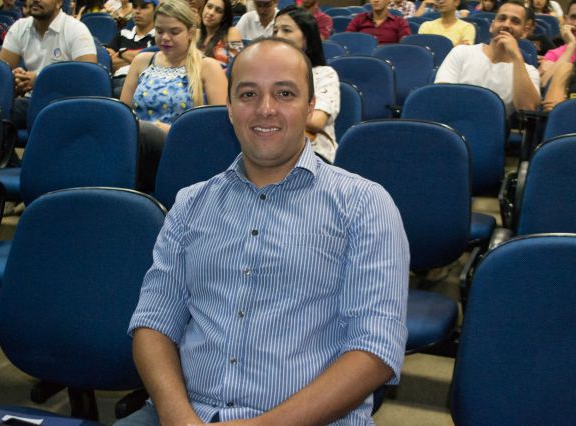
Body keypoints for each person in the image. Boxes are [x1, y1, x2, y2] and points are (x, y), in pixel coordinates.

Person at [116, 37, 409, 426]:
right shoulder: (191, 203)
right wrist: (178, 417)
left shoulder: (365, 205)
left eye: (285, 93)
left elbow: (375, 350)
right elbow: (154, 323)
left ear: (310, 106)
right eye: (248, 94)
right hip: (184, 413)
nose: (265, 109)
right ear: (229, 108)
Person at [120, 0, 226, 191]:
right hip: (138, 147)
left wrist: (170, 130)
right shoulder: (142, 61)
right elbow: (122, 115)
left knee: (142, 133)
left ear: (190, 33)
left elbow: (219, 127)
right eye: (159, 31)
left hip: (183, 148)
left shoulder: (208, 67)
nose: (165, 38)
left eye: (174, 32)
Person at [0, 0, 97, 128]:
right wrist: (16, 79)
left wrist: (40, 81)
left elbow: (89, 80)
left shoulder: (76, 30)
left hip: (64, 103)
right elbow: (1, 74)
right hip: (29, 101)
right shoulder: (19, 27)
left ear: (58, 2)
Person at [435, 0, 541, 115]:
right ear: (492, 26)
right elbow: (441, 95)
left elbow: (527, 109)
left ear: (524, 32)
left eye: (515, 21)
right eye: (502, 18)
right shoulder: (461, 52)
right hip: (453, 119)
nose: (506, 25)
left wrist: (517, 57)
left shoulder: (529, 72)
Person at [274, 6, 339, 163]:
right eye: (275, 31)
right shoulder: (268, 73)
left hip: (314, 154)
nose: (278, 36)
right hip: (271, 149)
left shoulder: (324, 74)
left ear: (306, 39)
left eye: (286, 30)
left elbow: (316, 121)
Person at [539, 0, 576, 86]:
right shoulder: (554, 54)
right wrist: (571, 45)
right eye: (573, 17)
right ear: (565, 20)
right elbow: (544, 85)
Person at [107, 0, 157, 97]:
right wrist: (141, 57)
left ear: (155, 11)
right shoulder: (123, 33)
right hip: (117, 80)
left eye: (144, 7)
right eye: (134, 6)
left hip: (144, 81)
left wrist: (122, 52)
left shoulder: (159, 36)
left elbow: (154, 61)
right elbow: (110, 61)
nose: (137, 11)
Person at [196, 0, 243, 68]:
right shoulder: (196, 34)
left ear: (223, 18)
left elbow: (238, 66)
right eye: (209, 6)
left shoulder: (231, 33)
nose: (211, 13)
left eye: (218, 11)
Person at [346, 0, 411, 44]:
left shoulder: (400, 22)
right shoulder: (359, 19)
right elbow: (347, 39)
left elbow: (405, 46)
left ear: (388, 0)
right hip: (363, 56)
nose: (376, 0)